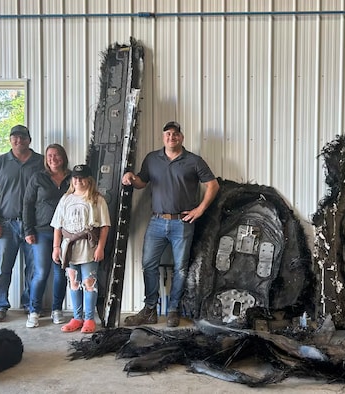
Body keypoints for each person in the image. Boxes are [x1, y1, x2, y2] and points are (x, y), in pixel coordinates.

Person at [122, 121, 219, 327]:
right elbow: (141, 182)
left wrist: (200, 210)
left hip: (182, 223)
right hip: (157, 221)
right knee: (149, 264)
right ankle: (150, 309)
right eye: (168, 134)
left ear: (181, 138)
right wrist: (131, 177)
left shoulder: (193, 161)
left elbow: (213, 185)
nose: (171, 137)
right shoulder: (152, 159)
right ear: (163, 137)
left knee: (181, 269)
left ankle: (173, 310)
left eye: (175, 134)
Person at [0, 125, 45, 322]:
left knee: (33, 267)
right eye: (14, 137)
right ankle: (0, 305)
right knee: (3, 268)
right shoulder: (0, 162)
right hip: (6, 224)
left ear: (29, 139)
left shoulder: (41, 162)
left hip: (34, 225)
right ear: (10, 140)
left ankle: (30, 305)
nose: (18, 140)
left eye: (22, 137)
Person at [51, 164, 110, 334]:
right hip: (69, 247)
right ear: (72, 180)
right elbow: (57, 226)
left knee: (89, 282)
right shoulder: (65, 199)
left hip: (88, 246)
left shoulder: (97, 199)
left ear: (89, 180)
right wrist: (56, 247)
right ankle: (77, 317)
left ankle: (89, 319)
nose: (79, 181)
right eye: (76, 178)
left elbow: (105, 226)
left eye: (82, 178)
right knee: (74, 282)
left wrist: (100, 248)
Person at [22, 144, 72, 328]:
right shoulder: (38, 177)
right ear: (46, 158)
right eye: (50, 155)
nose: (53, 158)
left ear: (63, 157)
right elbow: (27, 205)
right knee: (41, 272)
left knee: (60, 273)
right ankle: (34, 311)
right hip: (42, 232)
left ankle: (57, 310)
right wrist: (28, 231)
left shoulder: (72, 177)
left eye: (57, 155)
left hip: (66, 233)